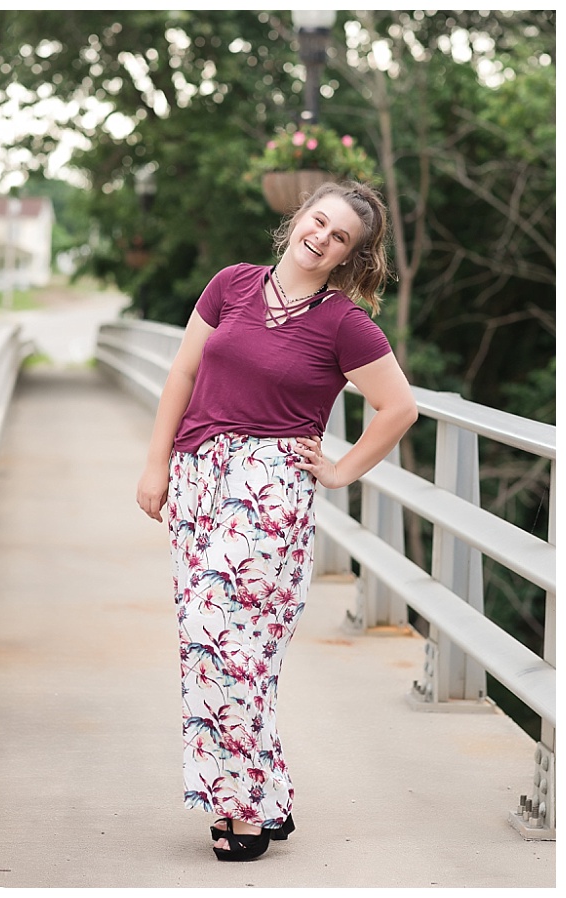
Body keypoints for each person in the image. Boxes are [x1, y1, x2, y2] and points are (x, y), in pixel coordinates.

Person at [135, 181, 418, 861]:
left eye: (340, 237)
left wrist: (342, 469)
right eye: (318, 221)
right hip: (200, 468)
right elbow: (181, 374)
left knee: (217, 632)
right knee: (230, 644)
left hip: (268, 484)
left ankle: (238, 810)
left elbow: (399, 407)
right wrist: (156, 466)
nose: (321, 237)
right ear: (299, 219)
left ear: (350, 256)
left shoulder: (345, 324)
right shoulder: (230, 284)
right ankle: (268, 794)